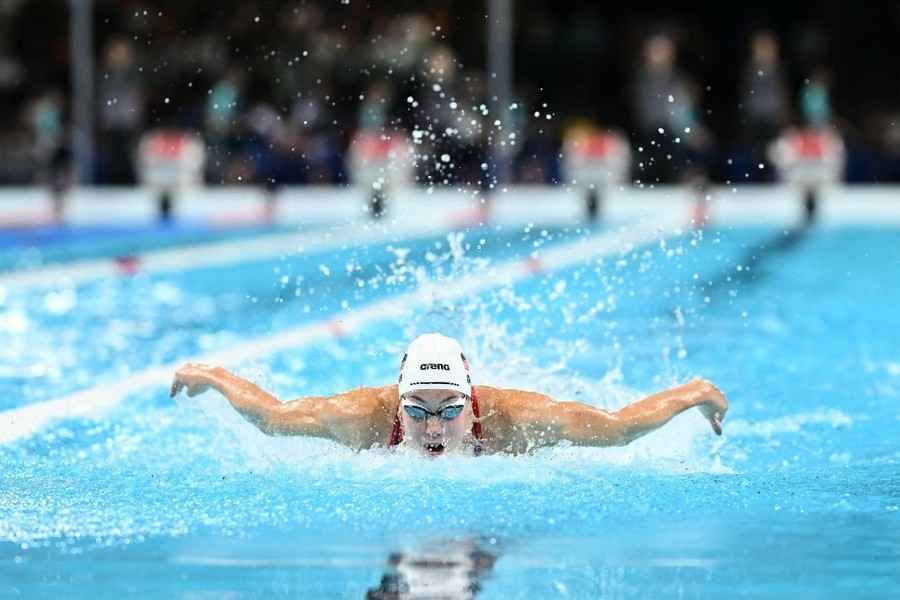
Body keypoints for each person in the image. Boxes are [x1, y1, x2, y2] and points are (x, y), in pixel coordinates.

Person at [170, 333, 728, 457]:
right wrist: (215, 377)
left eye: (449, 411)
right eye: (416, 411)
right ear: (398, 401)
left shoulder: (516, 420)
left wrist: (693, 393)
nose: (433, 428)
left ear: (471, 402)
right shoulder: (361, 417)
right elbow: (271, 416)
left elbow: (619, 427)